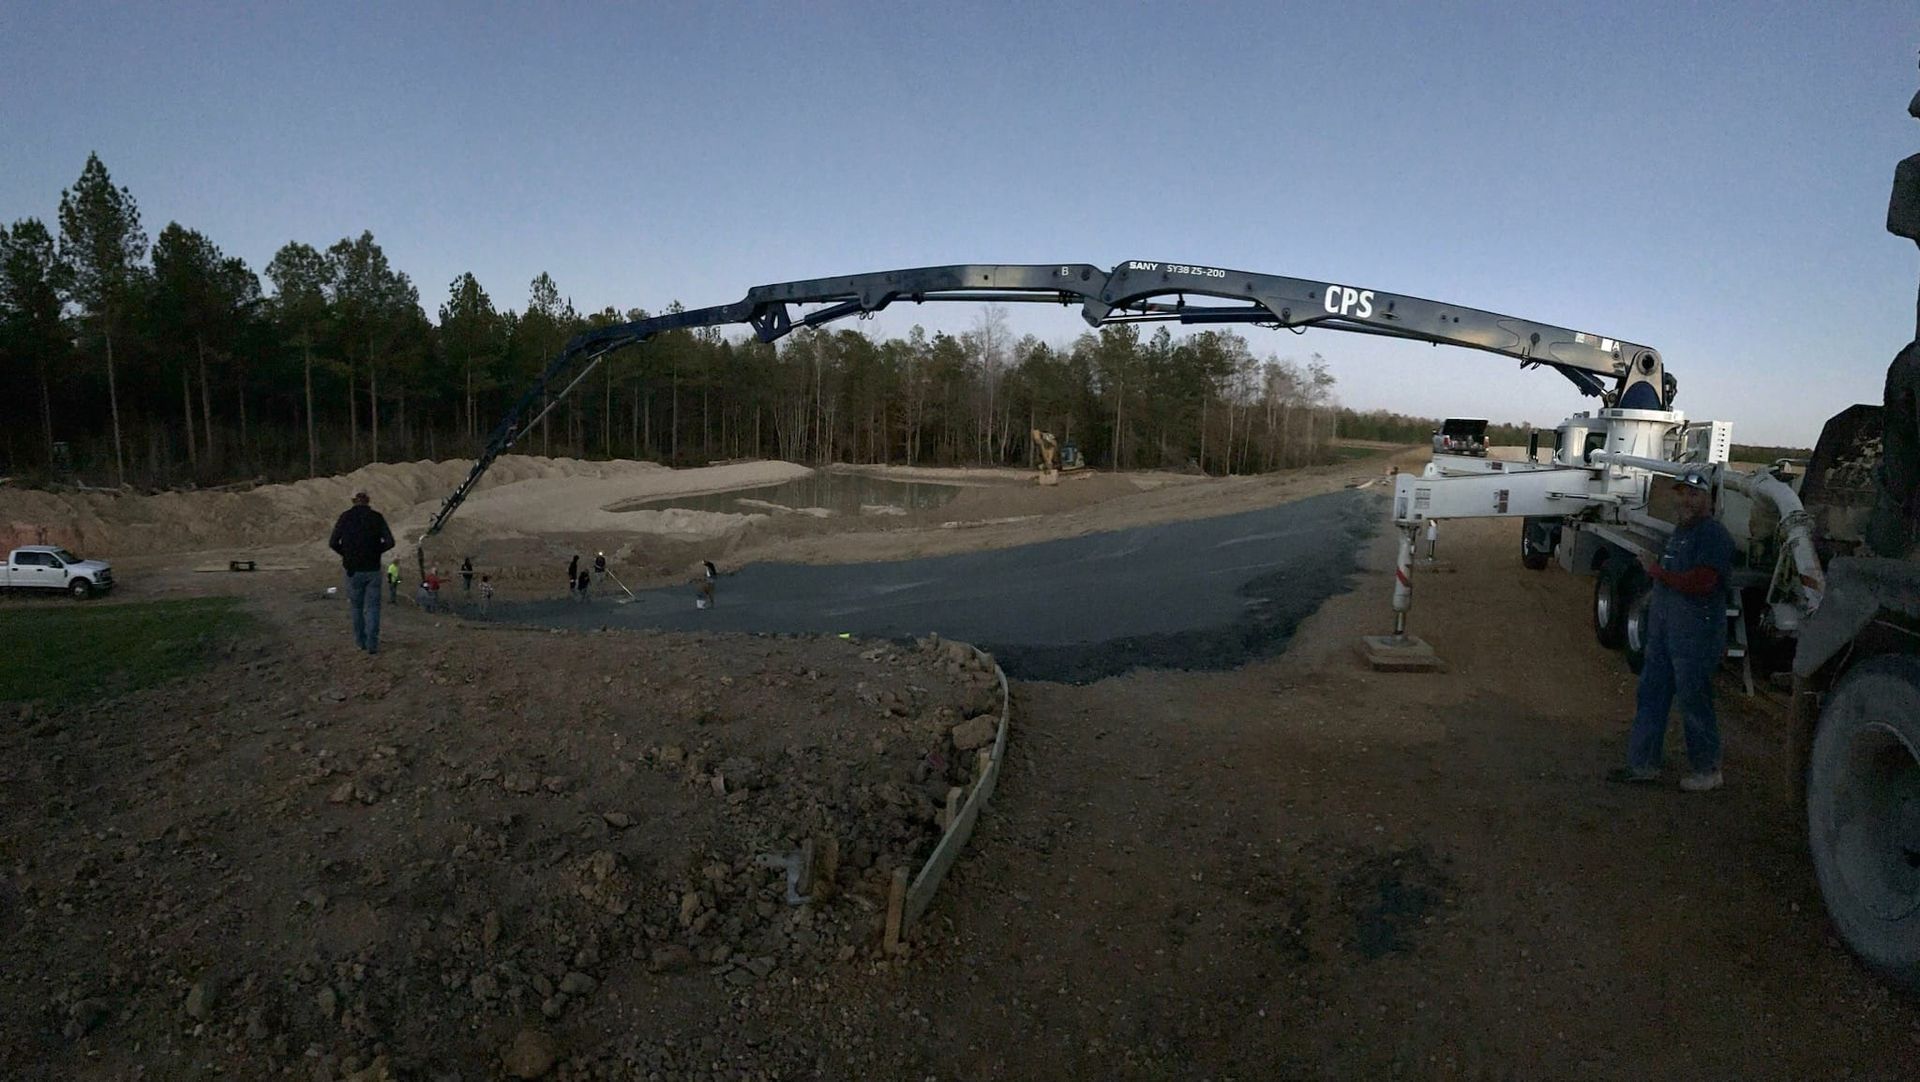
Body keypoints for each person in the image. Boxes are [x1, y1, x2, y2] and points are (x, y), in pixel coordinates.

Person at [1610, 472, 1735, 791]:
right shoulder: (1681, 532)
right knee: (1651, 695)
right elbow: (1672, 578)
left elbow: (1703, 581)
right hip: (1665, 636)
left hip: (1696, 637)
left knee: (1694, 701)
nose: (1686, 500)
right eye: (1682, 493)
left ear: (1708, 499)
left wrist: (1657, 572)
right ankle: (1643, 764)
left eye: (1694, 494)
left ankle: (1707, 770)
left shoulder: (1713, 535)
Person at [328, 491, 394, 654]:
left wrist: (346, 554)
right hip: (372, 568)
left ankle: (360, 642)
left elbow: (333, 542)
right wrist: (376, 551)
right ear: (368, 502)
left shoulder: (345, 517)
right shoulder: (376, 517)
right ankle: (372, 643)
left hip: (352, 569)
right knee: (372, 608)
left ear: (353, 502)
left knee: (356, 608)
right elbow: (390, 542)